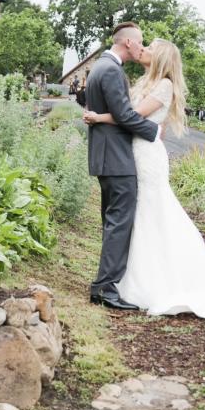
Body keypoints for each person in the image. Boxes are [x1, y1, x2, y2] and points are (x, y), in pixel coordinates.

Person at [83, 38, 205, 320]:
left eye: (149, 49)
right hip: (132, 151)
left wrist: (99, 117)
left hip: (147, 155)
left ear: (160, 58)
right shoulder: (146, 81)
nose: (142, 49)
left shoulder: (165, 84)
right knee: (137, 216)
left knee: (152, 212)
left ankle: (159, 279)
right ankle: (126, 276)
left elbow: (130, 116)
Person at [83, 22, 160, 310]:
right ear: (127, 43)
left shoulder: (100, 67)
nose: (142, 48)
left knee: (112, 220)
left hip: (106, 156)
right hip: (116, 158)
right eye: (140, 43)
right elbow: (125, 115)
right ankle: (105, 288)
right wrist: (154, 131)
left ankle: (106, 283)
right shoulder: (112, 70)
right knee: (119, 223)